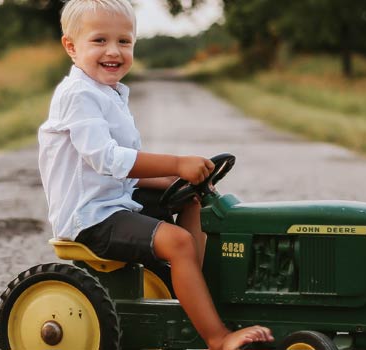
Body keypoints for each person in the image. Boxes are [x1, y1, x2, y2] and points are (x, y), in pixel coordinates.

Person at [36, 1, 274, 349]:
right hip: (90, 216)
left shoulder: (110, 93)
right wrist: (176, 164)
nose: (114, 51)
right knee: (178, 242)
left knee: (192, 198)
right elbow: (107, 160)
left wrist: (176, 180)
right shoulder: (78, 95)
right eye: (99, 40)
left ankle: (200, 292)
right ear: (71, 46)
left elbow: (116, 172)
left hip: (111, 202)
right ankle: (217, 336)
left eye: (124, 42)